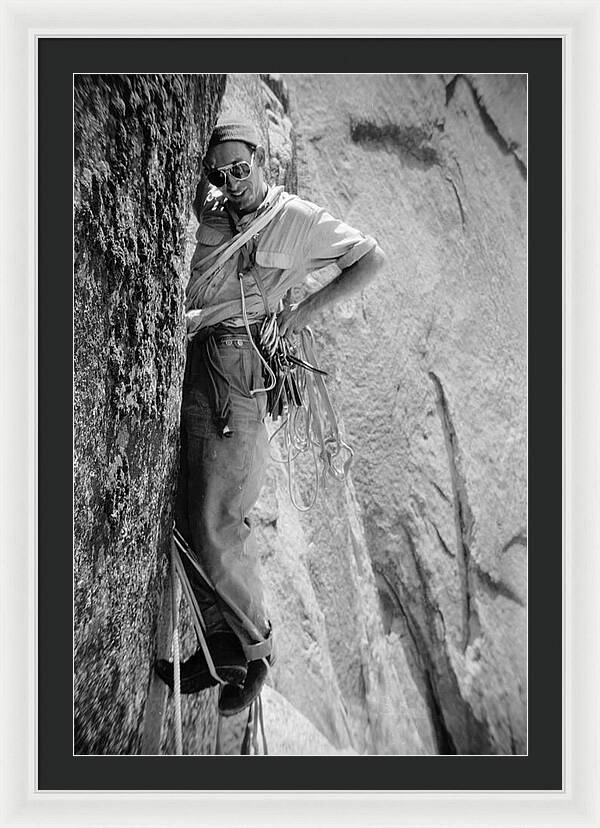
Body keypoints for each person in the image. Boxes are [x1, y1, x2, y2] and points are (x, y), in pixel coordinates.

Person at [155, 120, 387, 716]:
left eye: (242, 169)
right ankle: (219, 649)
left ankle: (255, 654)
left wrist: (299, 314)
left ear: (263, 162)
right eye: (221, 174)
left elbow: (369, 259)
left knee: (220, 515)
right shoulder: (212, 210)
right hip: (202, 359)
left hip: (238, 370)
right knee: (188, 505)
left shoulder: (297, 220)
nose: (232, 183)